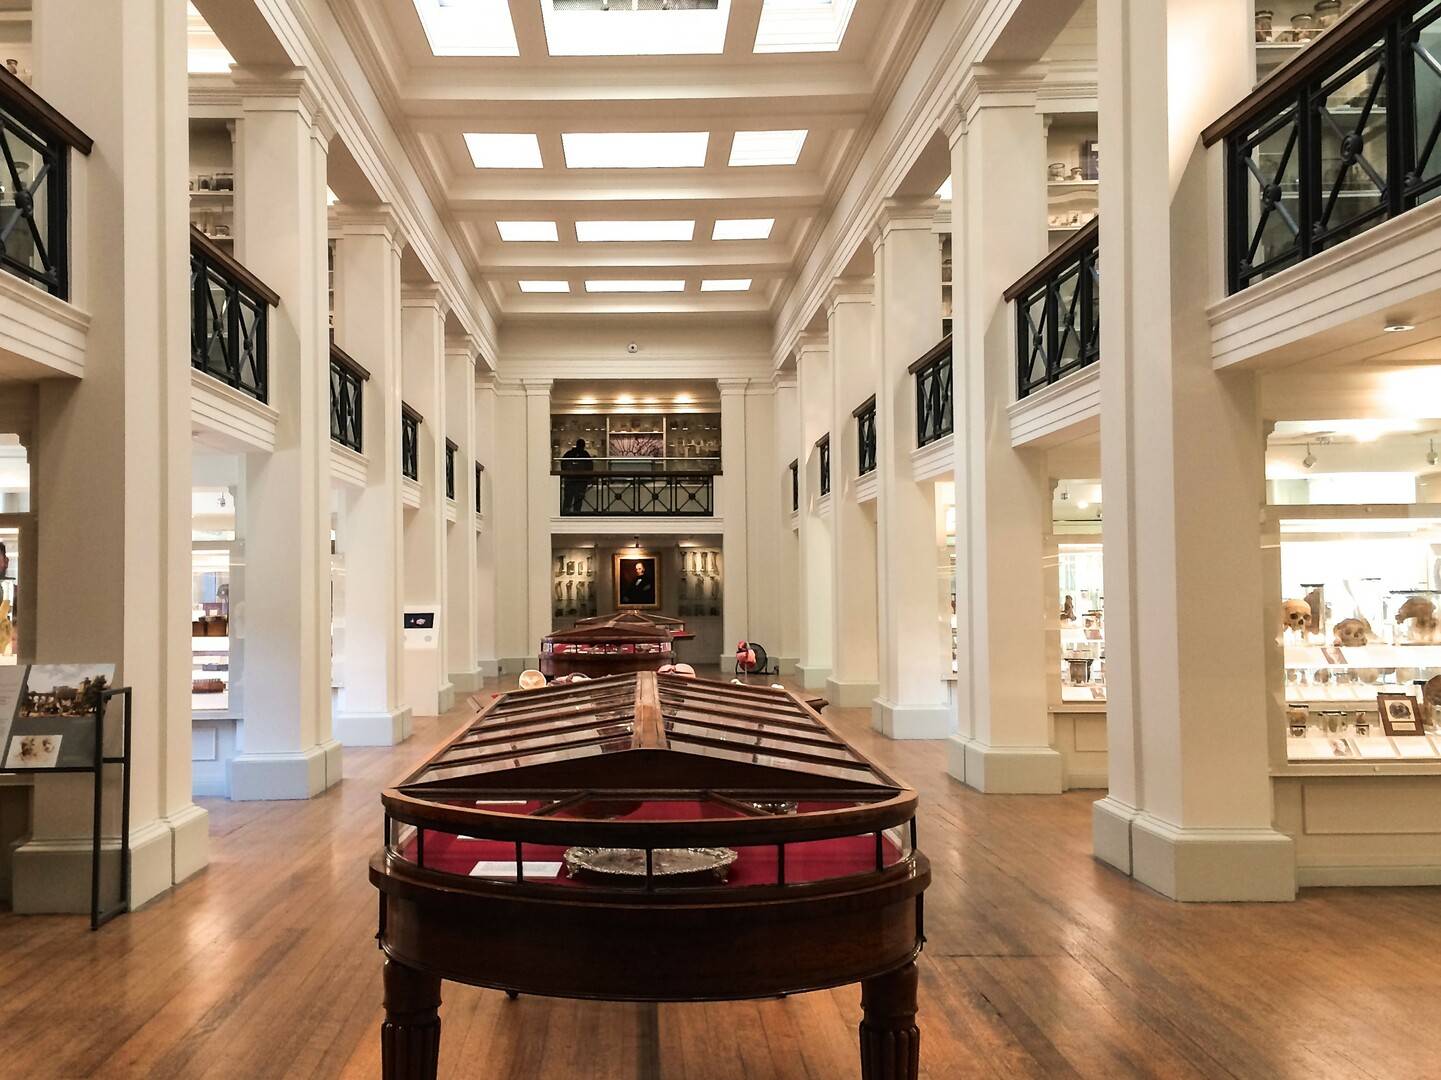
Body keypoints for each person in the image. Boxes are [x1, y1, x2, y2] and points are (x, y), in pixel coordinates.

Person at [560, 438, 594, 514]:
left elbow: (563, 463)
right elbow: (590, 467)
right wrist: (589, 479)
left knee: (568, 498)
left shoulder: (569, 453)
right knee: (578, 499)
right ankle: (577, 513)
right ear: (584, 446)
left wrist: (565, 474)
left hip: (569, 480)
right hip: (581, 481)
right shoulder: (585, 454)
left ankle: (565, 513)